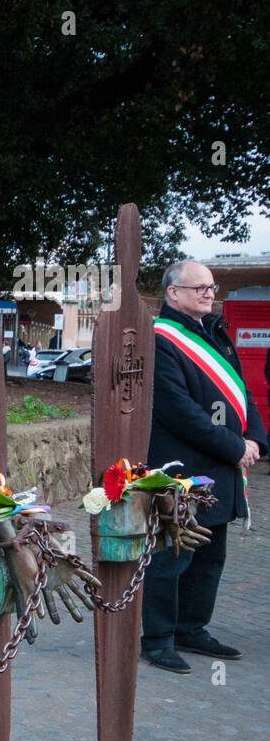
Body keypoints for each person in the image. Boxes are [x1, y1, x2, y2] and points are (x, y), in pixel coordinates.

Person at [141, 260, 268, 673]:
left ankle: (191, 628)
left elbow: (243, 392)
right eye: (199, 288)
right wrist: (235, 446)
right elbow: (178, 410)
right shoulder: (161, 339)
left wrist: (256, 440)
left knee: (210, 556)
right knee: (173, 554)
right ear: (172, 293)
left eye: (211, 287)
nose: (209, 294)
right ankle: (158, 638)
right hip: (184, 467)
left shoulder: (214, 332)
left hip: (222, 467)